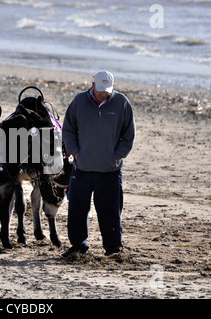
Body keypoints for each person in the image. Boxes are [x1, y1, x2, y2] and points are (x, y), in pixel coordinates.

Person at [61, 70, 135, 259]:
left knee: (110, 210)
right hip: (82, 168)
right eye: (100, 90)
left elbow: (128, 136)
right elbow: (68, 129)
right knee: (77, 209)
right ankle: (78, 246)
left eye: (107, 90)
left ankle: (113, 247)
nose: (103, 94)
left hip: (110, 170)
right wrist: (76, 153)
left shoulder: (122, 103)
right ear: (92, 85)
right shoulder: (79, 102)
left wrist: (116, 156)